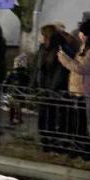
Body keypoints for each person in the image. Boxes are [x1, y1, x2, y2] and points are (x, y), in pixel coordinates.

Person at [58, 18, 90, 161]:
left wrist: (65, 59)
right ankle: (80, 149)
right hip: (78, 91)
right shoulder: (84, 48)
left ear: (85, 34)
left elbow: (82, 68)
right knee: (78, 122)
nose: (79, 35)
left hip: (87, 92)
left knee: (88, 123)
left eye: (81, 32)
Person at [34, 24, 75, 153]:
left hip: (57, 90)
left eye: (45, 37)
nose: (43, 39)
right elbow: (38, 67)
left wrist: (53, 88)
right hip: (46, 89)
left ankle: (58, 142)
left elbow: (61, 71)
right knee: (45, 116)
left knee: (58, 116)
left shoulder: (61, 49)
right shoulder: (44, 49)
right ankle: (46, 139)